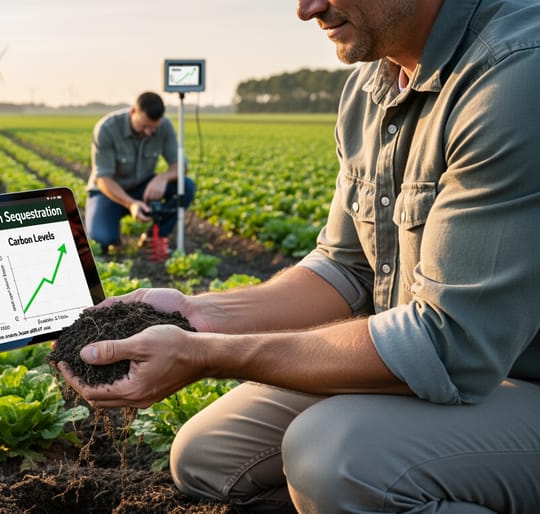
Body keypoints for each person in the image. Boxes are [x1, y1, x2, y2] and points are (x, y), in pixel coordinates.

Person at [56, 0, 540, 512]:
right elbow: (344, 268)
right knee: (206, 457)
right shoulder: (369, 87)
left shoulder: (513, 71)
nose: (307, 9)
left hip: (511, 375)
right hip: (429, 357)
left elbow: (450, 346)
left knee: (334, 458)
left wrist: (205, 356)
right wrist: (195, 315)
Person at [85, 91, 195, 252]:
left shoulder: (164, 126)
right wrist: (130, 204)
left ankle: (154, 236)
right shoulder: (107, 129)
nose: (149, 132)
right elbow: (103, 179)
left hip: (143, 188)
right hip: (108, 192)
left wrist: (163, 178)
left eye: (153, 127)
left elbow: (181, 165)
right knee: (102, 241)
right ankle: (112, 234)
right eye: (143, 126)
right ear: (133, 112)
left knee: (185, 186)